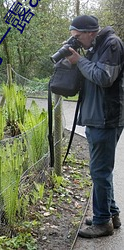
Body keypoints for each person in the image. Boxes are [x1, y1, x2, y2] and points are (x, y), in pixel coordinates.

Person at [66, 15, 124, 238]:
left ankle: (102, 223)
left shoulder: (112, 44)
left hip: (106, 118)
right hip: (96, 117)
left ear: (90, 32)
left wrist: (79, 61)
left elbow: (103, 77)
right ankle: (111, 214)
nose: (77, 41)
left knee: (99, 171)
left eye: (78, 37)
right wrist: (76, 60)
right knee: (101, 171)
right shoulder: (95, 46)